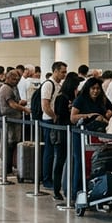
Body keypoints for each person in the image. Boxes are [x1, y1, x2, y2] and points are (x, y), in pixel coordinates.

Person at [49, 73, 81, 202]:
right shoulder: (62, 98)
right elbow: (61, 116)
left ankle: (64, 189)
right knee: (60, 161)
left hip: (66, 132)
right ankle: (57, 189)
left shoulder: (71, 97)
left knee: (65, 161)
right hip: (62, 133)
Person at [39, 61, 68, 191]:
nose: (64, 74)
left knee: (53, 151)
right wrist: (55, 117)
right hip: (49, 121)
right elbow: (45, 105)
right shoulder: (48, 85)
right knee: (49, 151)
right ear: (55, 71)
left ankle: (51, 178)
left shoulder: (58, 85)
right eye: (62, 72)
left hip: (54, 121)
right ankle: (46, 179)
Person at [0, 70, 28, 174]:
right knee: (9, 143)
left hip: (12, 119)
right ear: (7, 78)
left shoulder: (11, 88)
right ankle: (7, 168)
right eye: (13, 79)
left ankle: (8, 167)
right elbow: (12, 104)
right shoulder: (6, 89)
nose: (16, 81)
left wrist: (20, 103)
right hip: (8, 119)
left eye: (17, 79)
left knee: (11, 143)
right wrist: (24, 109)